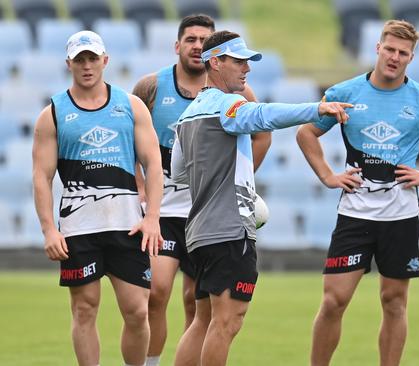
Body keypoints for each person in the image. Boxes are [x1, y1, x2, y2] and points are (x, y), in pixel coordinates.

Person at [296, 19, 419, 366]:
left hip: (401, 215)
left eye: (403, 53)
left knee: (394, 301)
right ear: (378, 49)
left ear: (411, 58)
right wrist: (328, 175)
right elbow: (306, 134)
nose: (394, 57)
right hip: (354, 213)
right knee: (334, 301)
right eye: (389, 49)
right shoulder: (344, 94)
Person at [170, 30, 352, 366]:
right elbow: (263, 116)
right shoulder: (229, 106)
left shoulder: (186, 115)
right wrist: (316, 108)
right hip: (228, 230)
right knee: (226, 323)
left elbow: (178, 172)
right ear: (215, 62)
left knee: (202, 321)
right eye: (238, 61)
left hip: (198, 232)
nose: (246, 69)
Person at [130, 14, 270, 366]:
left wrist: (234, 182)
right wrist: (142, 190)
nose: (197, 45)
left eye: (203, 40)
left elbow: (262, 135)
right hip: (166, 210)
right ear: (178, 46)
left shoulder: (239, 93)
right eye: (190, 39)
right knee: (158, 291)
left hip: (206, 211)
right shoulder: (151, 87)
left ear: (213, 54)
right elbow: (129, 143)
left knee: (196, 302)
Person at [32, 30, 164, 366]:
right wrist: (49, 229)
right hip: (79, 229)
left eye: (93, 58)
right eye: (80, 60)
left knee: (137, 311)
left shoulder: (130, 106)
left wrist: (152, 219)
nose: (87, 66)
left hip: (129, 226)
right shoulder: (54, 114)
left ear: (105, 60)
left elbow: (153, 163)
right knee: (85, 309)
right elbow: (42, 177)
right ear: (69, 64)